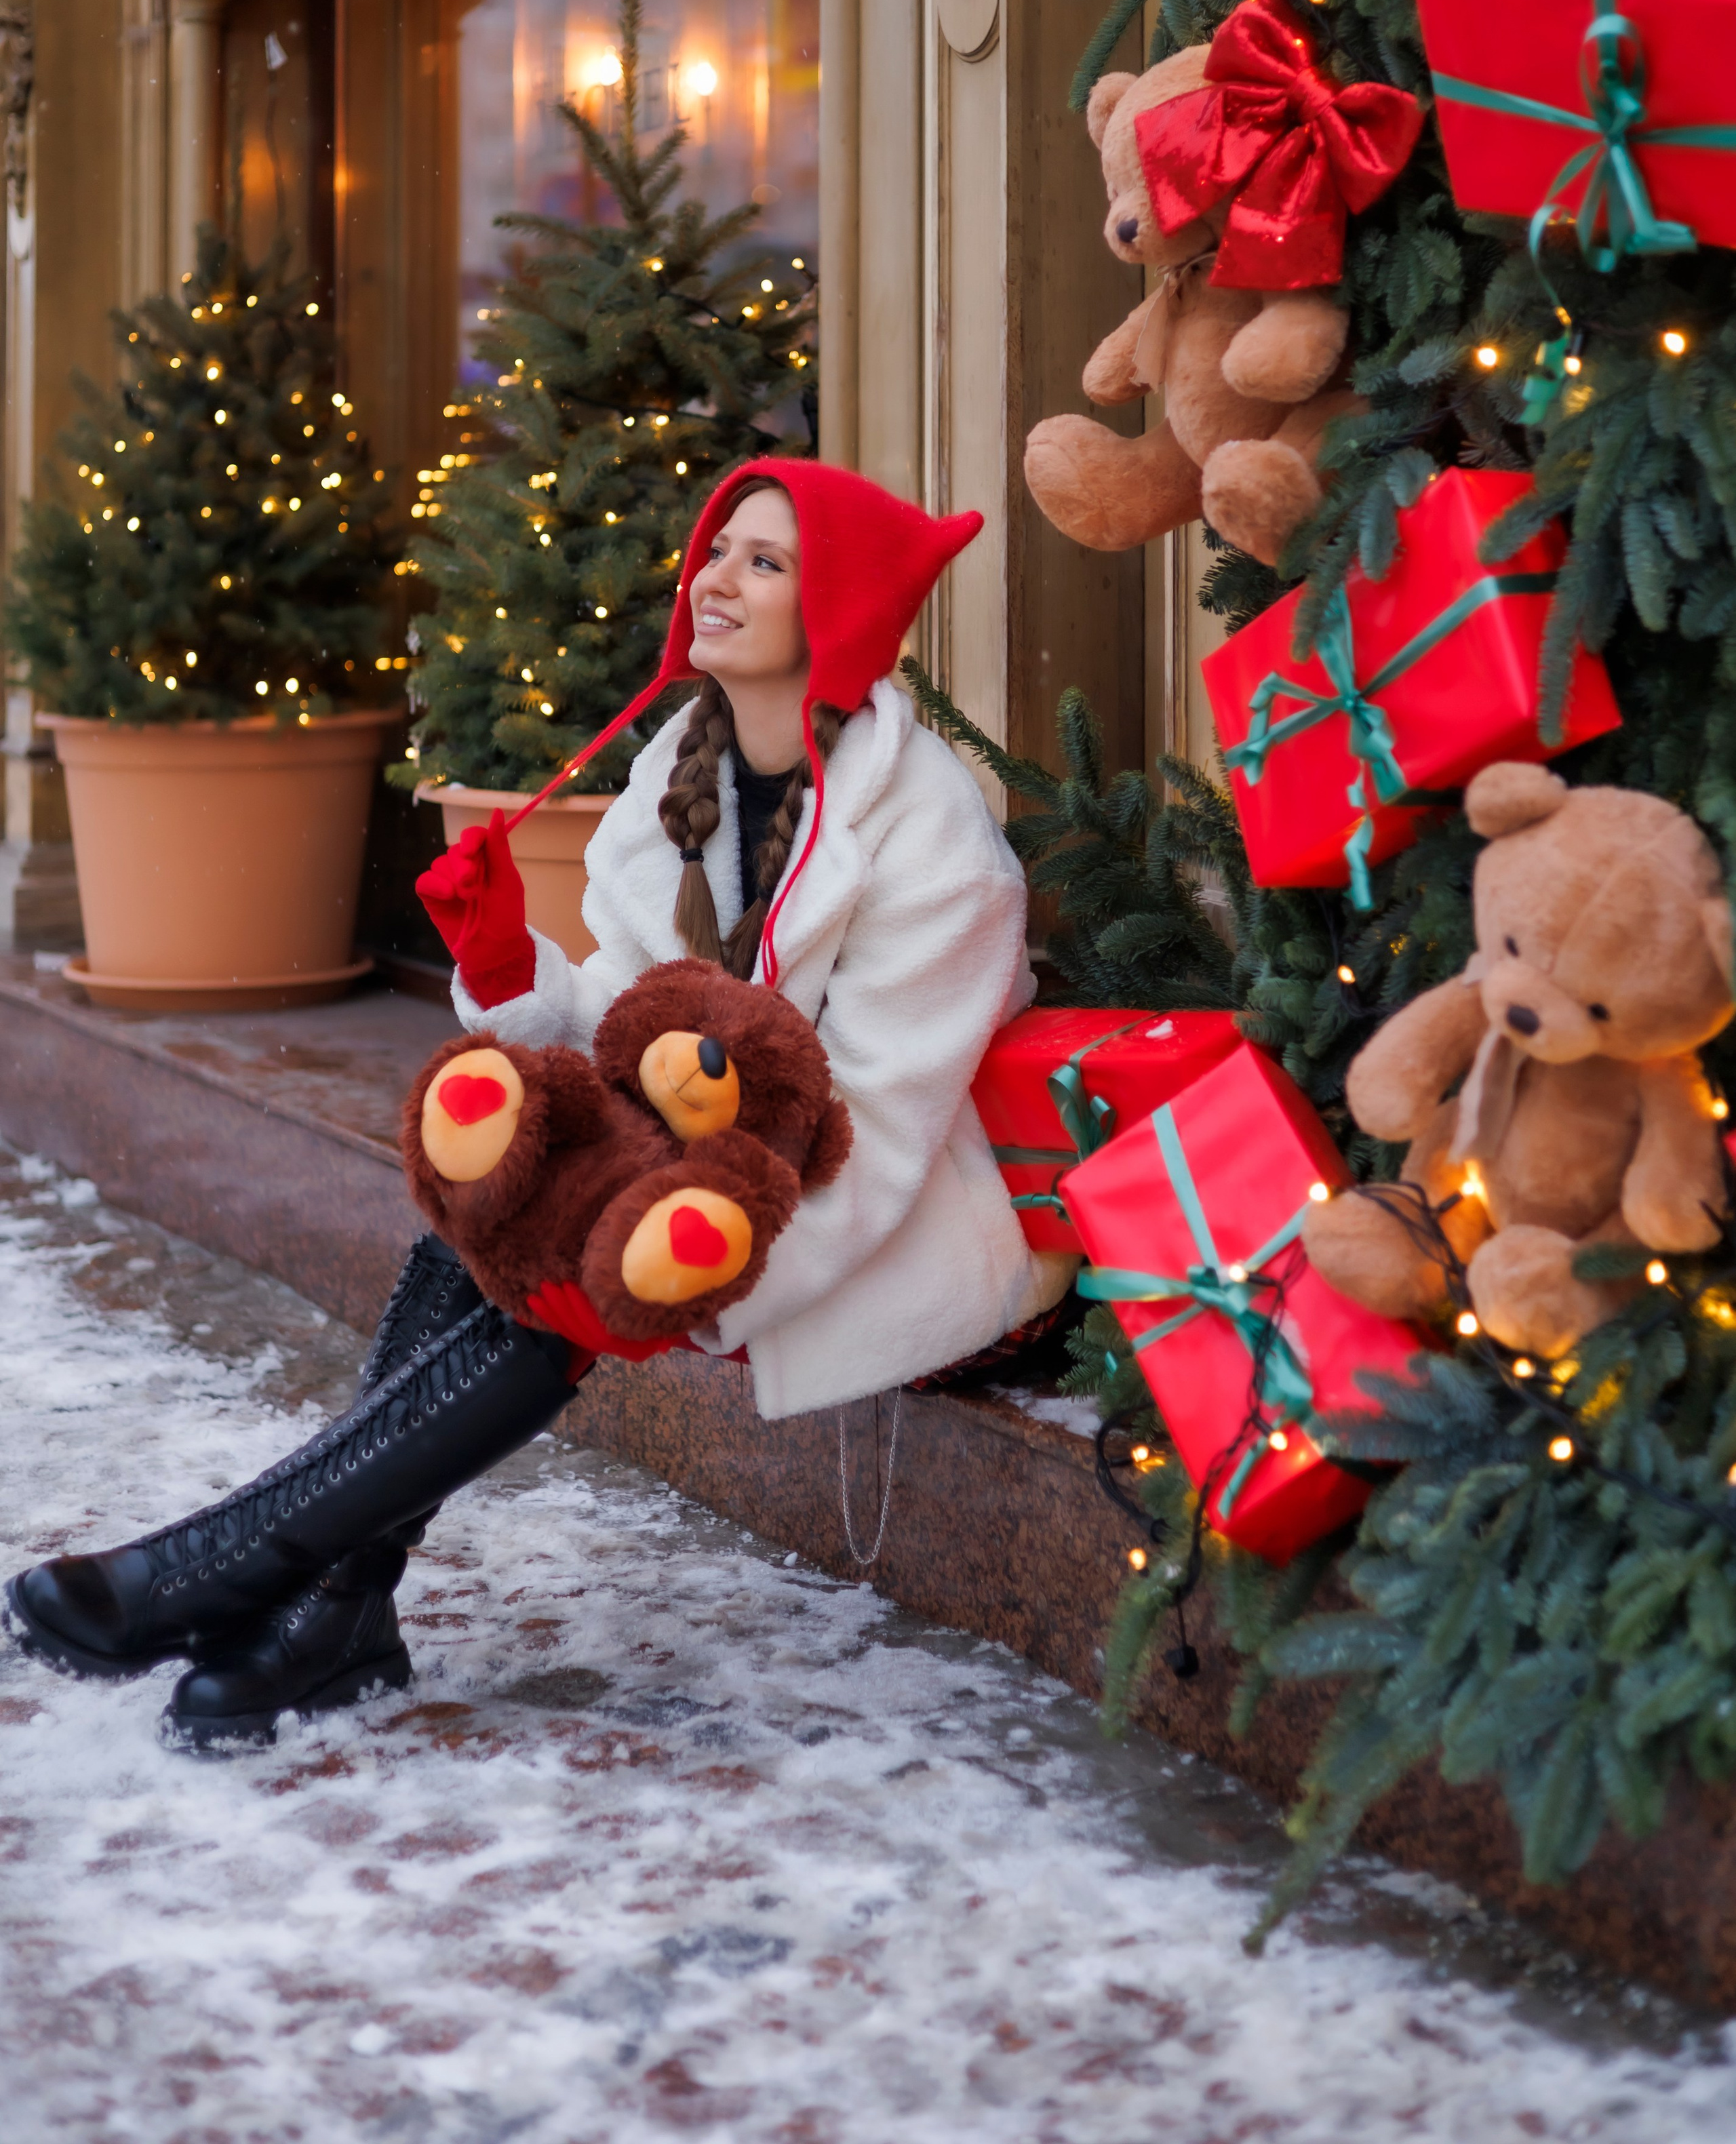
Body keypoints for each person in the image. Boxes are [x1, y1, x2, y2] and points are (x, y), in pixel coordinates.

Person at [5, 459, 1070, 1745]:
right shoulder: (685, 765)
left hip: (875, 1232)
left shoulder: (937, 846)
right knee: (487, 1215)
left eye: (764, 562)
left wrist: (683, 1273)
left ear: (836, 611)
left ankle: (217, 1572)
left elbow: (879, 1144)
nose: (714, 578)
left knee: (554, 1281)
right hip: (686, 1178)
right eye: (717, 550)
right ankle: (333, 1606)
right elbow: (620, 1025)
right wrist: (510, 965)